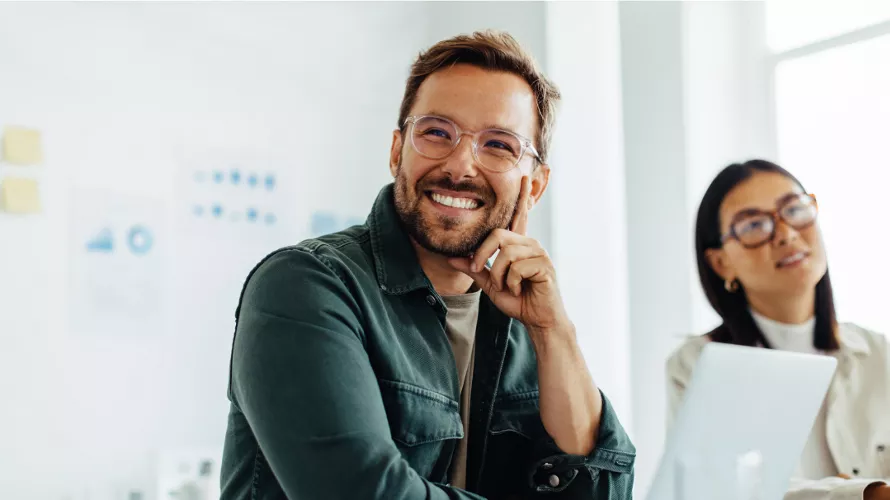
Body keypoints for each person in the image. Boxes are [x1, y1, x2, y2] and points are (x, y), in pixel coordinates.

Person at [219, 30, 635, 499]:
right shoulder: (304, 286)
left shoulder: (527, 323)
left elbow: (605, 490)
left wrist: (552, 330)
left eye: (498, 145)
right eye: (437, 133)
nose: (461, 166)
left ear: (534, 186)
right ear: (398, 151)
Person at [666, 159, 890, 500]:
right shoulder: (698, 364)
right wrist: (865, 493)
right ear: (720, 262)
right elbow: (718, 490)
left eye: (794, 210)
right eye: (754, 224)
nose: (786, 234)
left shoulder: (879, 352)